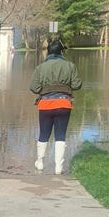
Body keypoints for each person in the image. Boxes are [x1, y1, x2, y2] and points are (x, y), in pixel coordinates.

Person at [29, 40, 82, 174]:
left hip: (45, 105)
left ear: (48, 52)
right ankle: (59, 167)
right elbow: (77, 85)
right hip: (64, 104)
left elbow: (34, 88)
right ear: (61, 52)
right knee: (60, 135)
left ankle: (40, 162)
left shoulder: (40, 67)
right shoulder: (70, 66)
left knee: (44, 134)